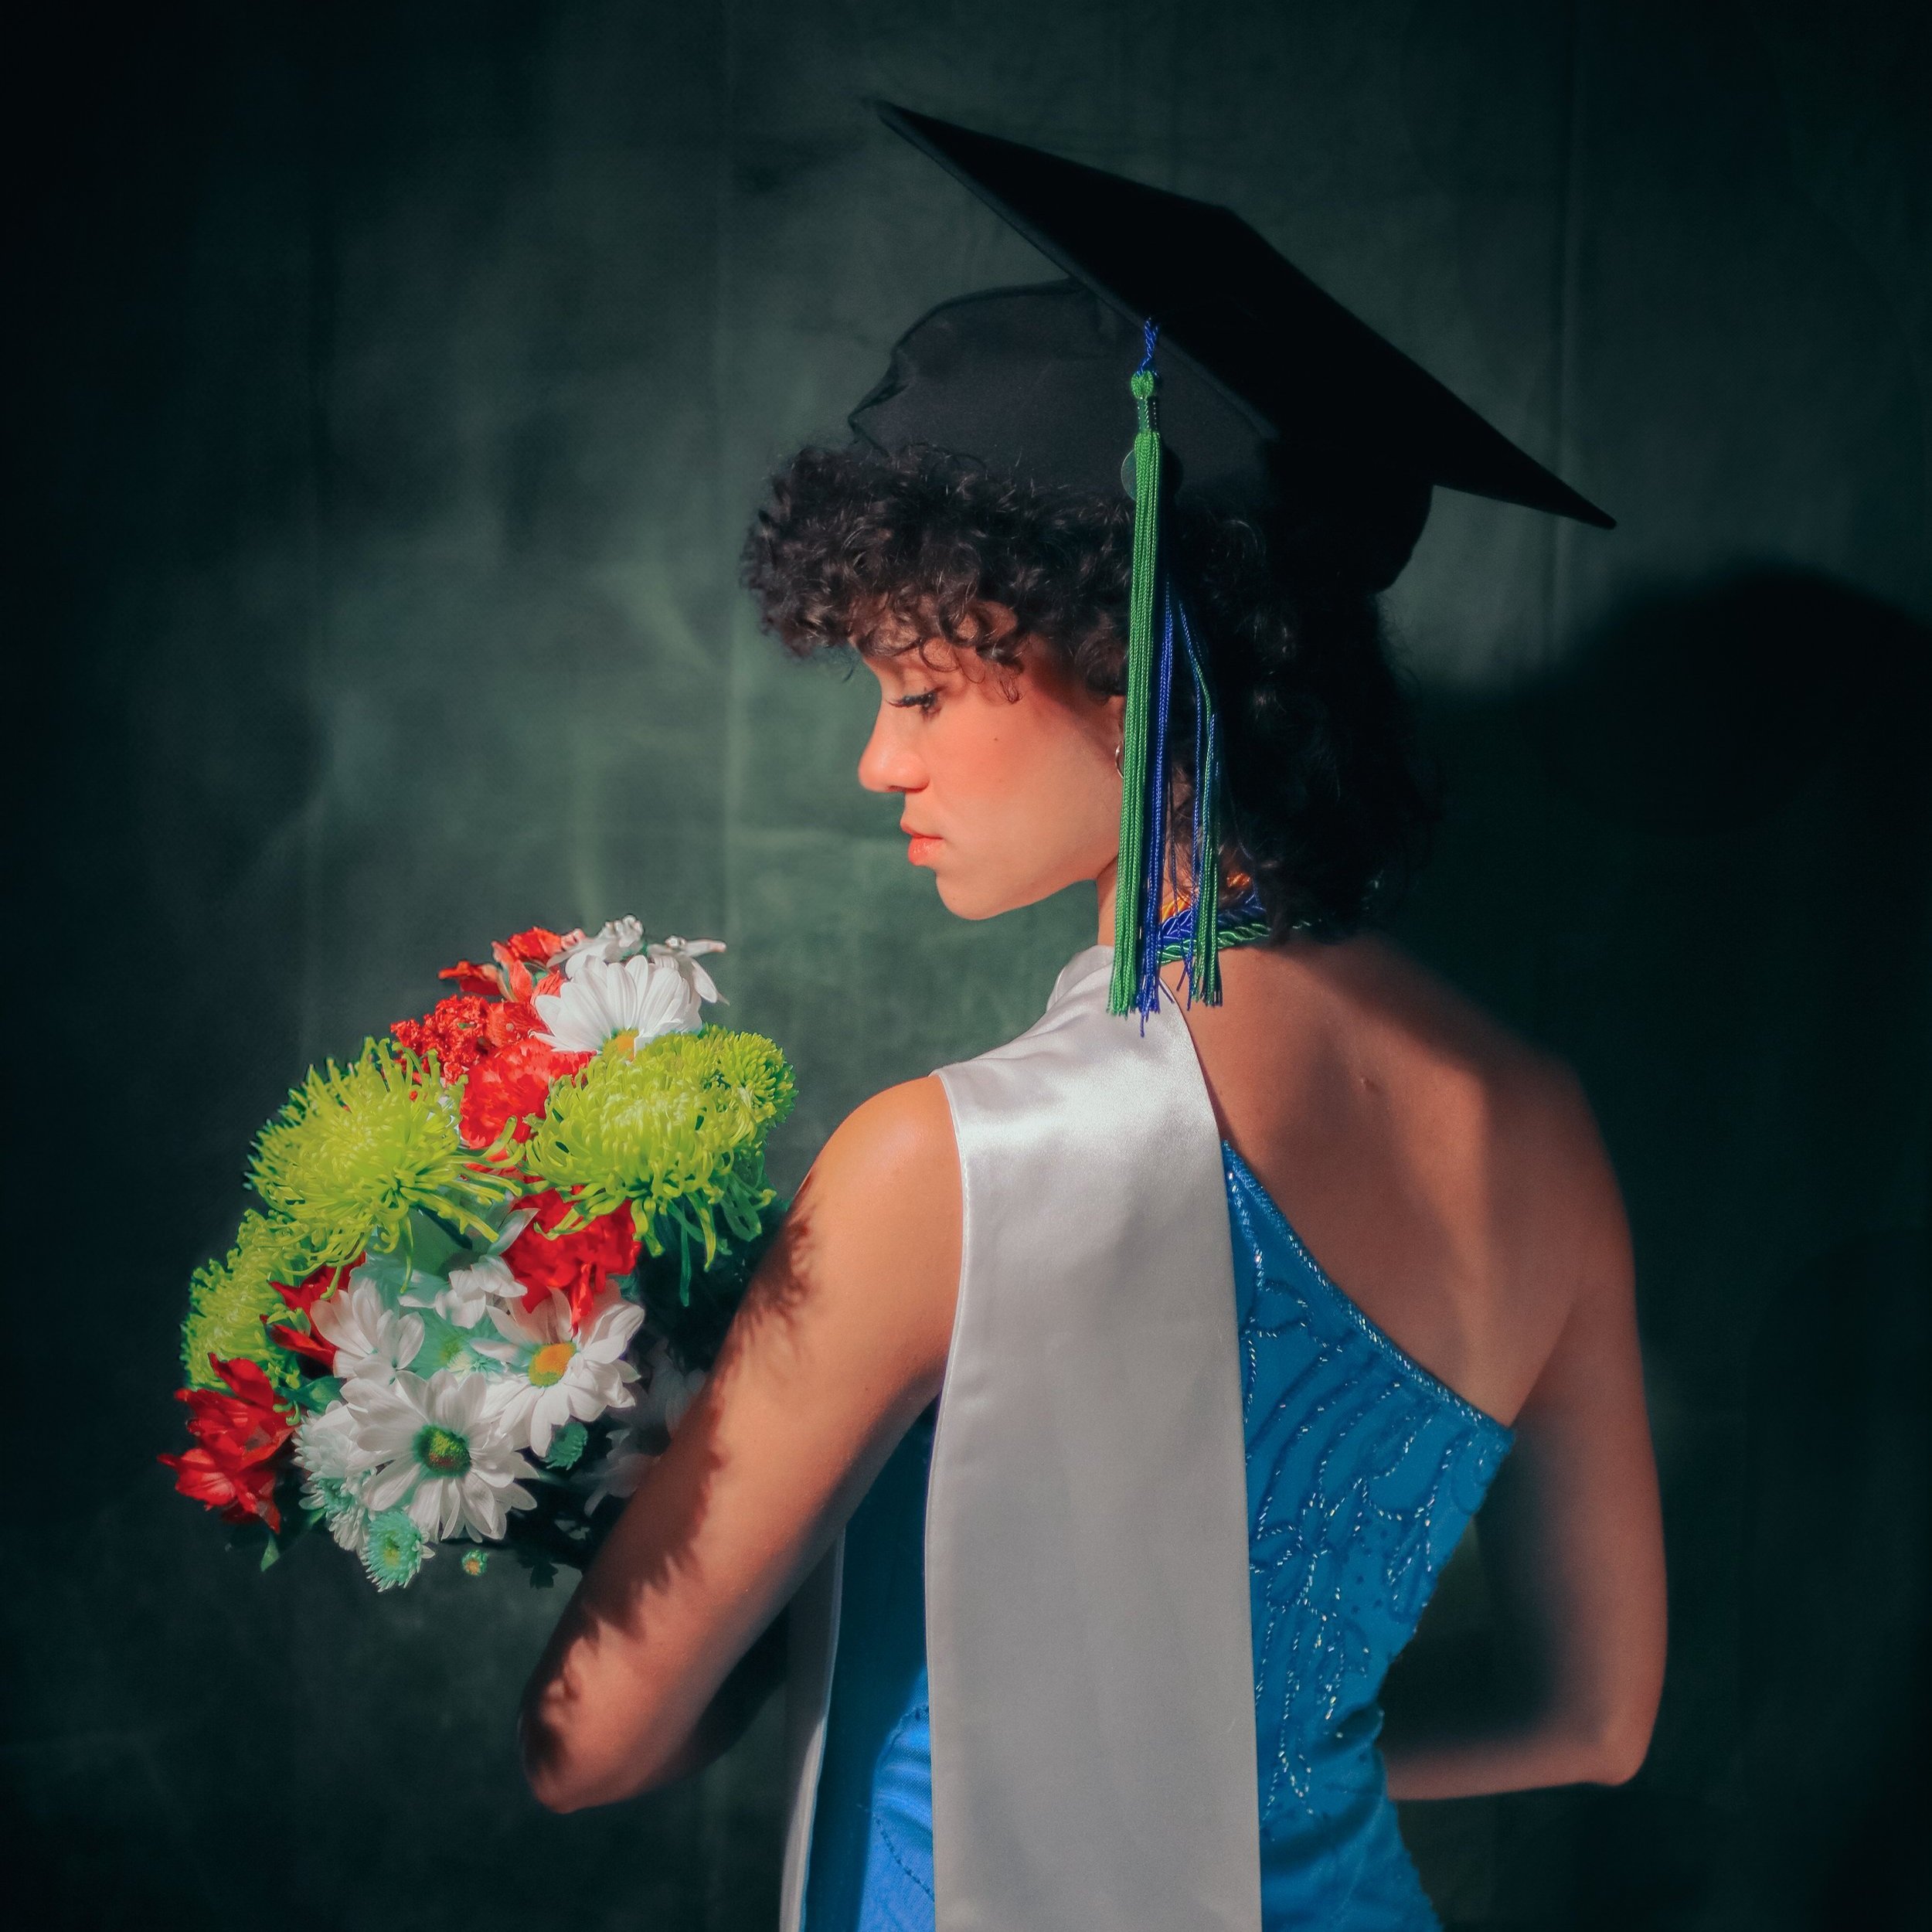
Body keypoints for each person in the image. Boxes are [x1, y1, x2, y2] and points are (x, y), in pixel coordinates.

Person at [518, 107, 1665, 1932]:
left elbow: (586, 1743)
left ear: (1133, 661)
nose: (876, 757)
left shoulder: (945, 1166)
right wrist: (1238, 1758)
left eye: (915, 685)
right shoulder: (1541, 1126)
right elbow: (1593, 1716)